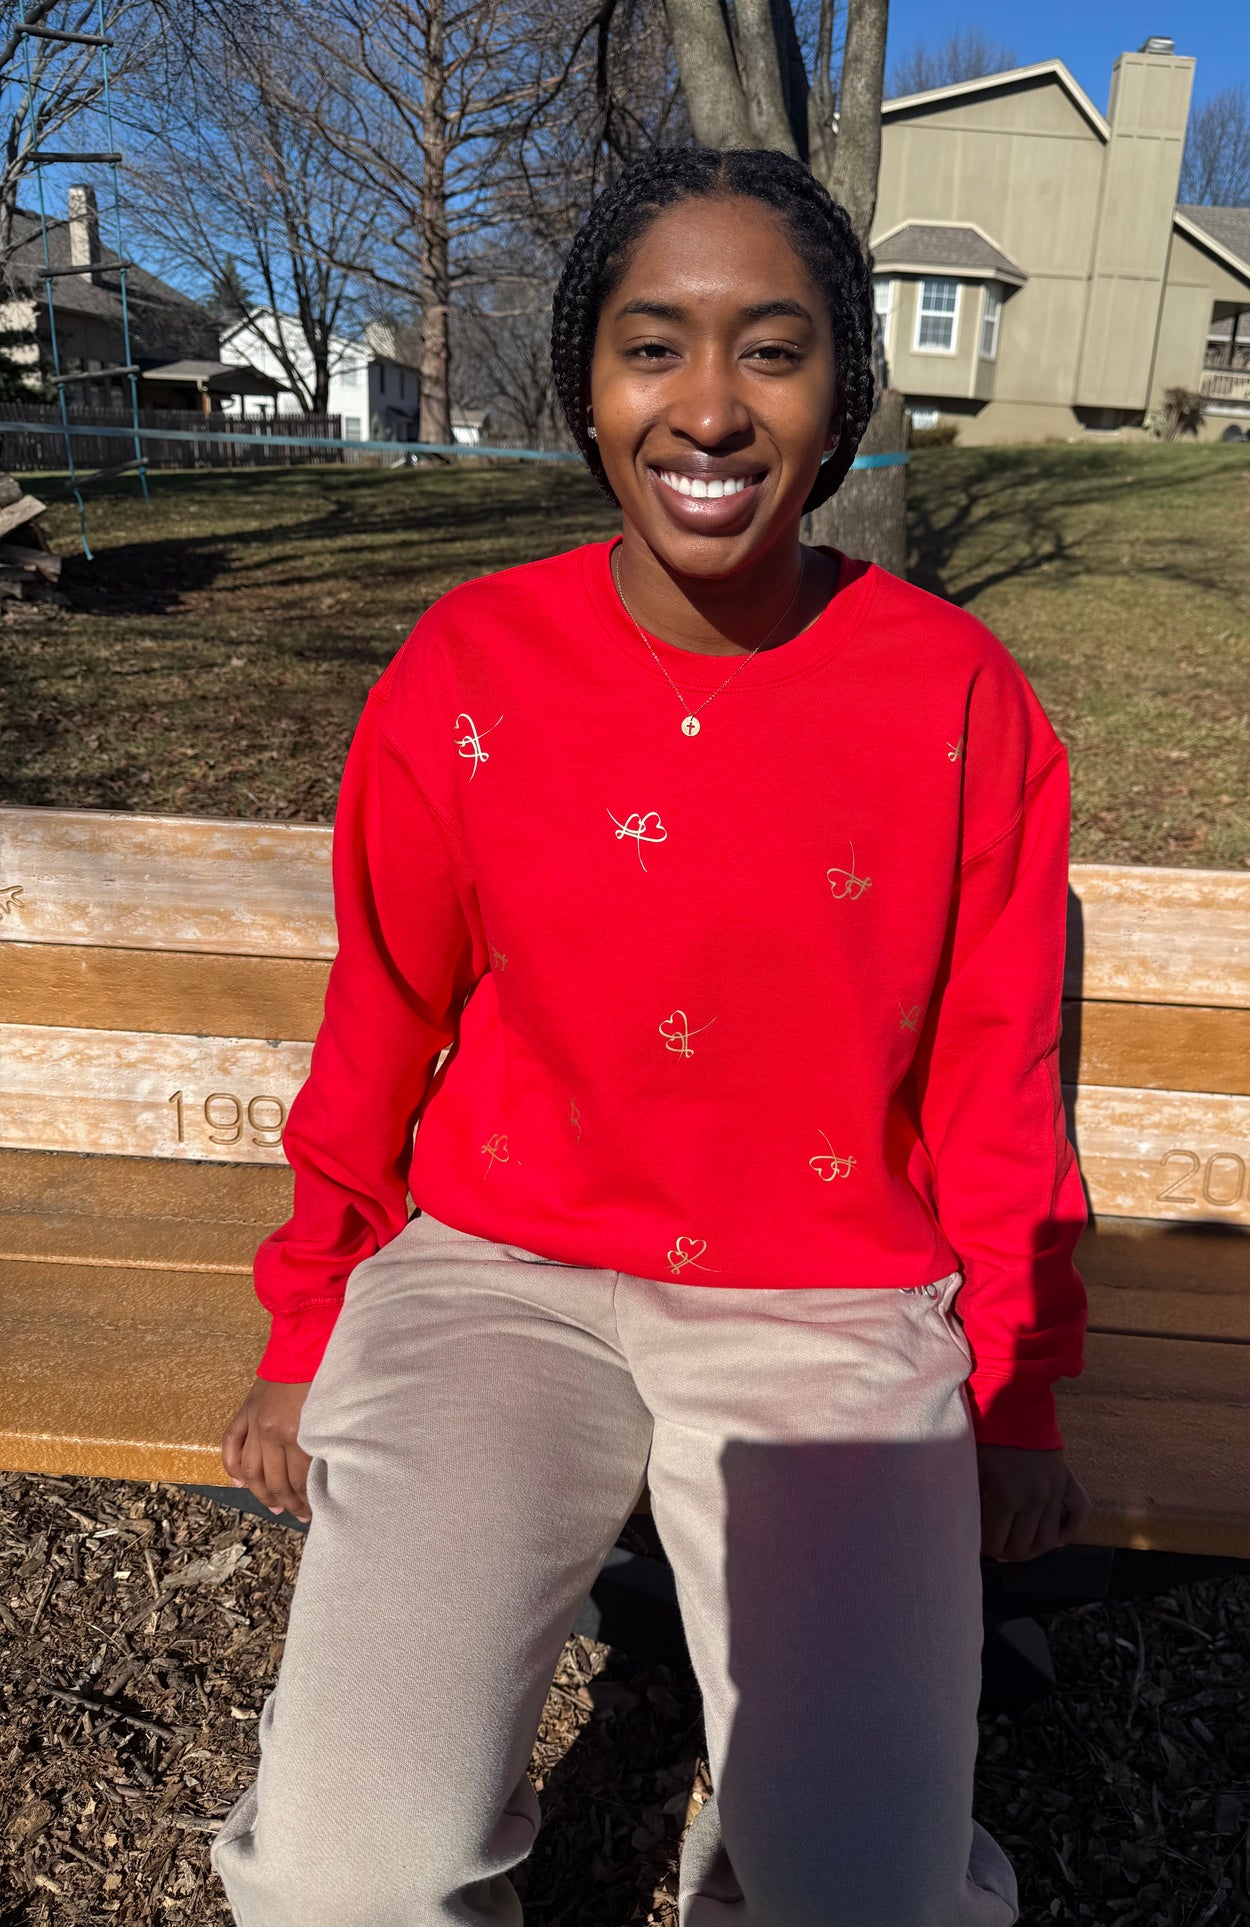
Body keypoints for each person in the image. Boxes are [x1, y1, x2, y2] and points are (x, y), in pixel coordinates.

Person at [210, 145, 1091, 1927]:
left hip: (830, 1308)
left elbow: (998, 1068)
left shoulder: (954, 698)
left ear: (842, 391)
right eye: (651, 346)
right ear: (587, 390)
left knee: (863, 1894)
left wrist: (1008, 1390)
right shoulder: (469, 668)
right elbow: (381, 1009)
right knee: (343, 1881)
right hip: (493, 1283)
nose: (709, 405)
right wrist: (312, 1317)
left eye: (771, 350)